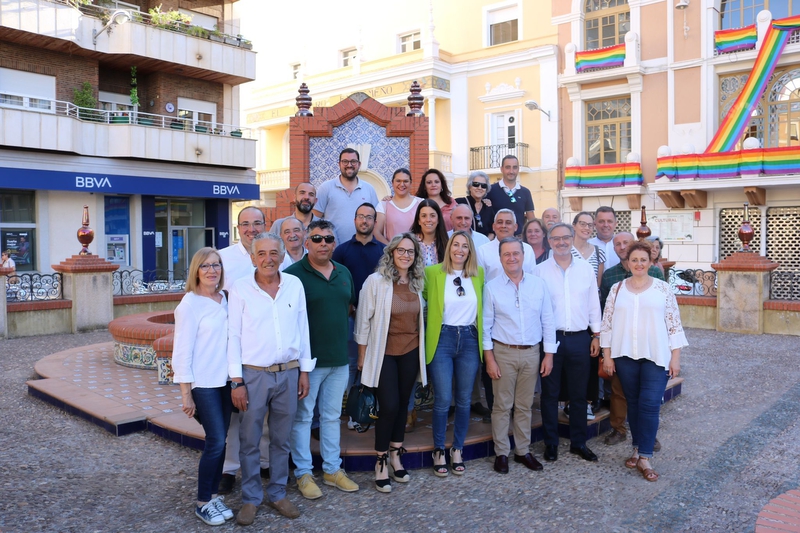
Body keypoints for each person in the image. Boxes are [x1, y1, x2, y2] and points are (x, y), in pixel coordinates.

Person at [227, 232, 315, 525]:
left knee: (281, 439)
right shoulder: (240, 288)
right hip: (253, 375)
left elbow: (303, 328)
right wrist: (236, 381)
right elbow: (234, 336)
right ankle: (251, 498)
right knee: (249, 439)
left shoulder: (294, 285)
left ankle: (277, 493)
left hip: (288, 373)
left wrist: (304, 371)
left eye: (274, 253)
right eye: (262, 253)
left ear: (282, 256)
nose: (268, 259)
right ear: (253, 257)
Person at [601, 241, 687, 482]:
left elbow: (674, 324)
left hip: (656, 355)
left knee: (649, 404)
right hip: (625, 355)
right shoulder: (617, 289)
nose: (638, 264)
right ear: (627, 263)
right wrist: (607, 356)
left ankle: (645, 457)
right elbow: (606, 324)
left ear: (651, 262)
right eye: (634, 260)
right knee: (634, 403)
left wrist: (676, 357)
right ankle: (638, 449)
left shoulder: (662, 289)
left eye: (643, 260)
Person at [286, 220, 359, 499]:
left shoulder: (344, 272)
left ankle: (331, 470)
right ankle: (303, 473)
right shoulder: (293, 275)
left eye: (329, 238)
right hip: (308, 363)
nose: (323, 243)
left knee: (331, 417)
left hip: (339, 360)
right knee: (303, 418)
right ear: (306, 242)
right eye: (317, 238)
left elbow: (349, 307)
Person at [356, 233, 427, 493]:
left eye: (411, 251)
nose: (406, 255)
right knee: (390, 406)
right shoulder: (376, 281)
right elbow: (363, 320)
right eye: (401, 250)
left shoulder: (419, 282)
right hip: (383, 352)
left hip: (410, 351)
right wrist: (362, 355)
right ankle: (381, 460)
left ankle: (396, 454)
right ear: (392, 253)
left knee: (403, 406)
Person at [483, 238, 556, 474]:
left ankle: (522, 451)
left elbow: (548, 320)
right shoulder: (491, 287)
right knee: (502, 406)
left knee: (524, 406)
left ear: (524, 256)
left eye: (516, 253)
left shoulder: (538, 284)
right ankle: (501, 452)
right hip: (503, 352)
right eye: (507, 254)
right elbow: (485, 326)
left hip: (532, 353)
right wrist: (490, 359)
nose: (512, 258)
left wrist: (549, 355)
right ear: (500, 257)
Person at [172, 247, 233, 526]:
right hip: (204, 384)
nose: (212, 270)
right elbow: (181, 352)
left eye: (216, 265)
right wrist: (186, 394)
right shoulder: (189, 305)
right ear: (196, 270)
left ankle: (213, 495)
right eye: (206, 266)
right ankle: (202, 502)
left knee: (221, 441)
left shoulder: (225, 299)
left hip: (226, 382)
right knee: (216, 441)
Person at [534, 223, 602, 463]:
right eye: (556, 238)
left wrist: (596, 335)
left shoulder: (585, 270)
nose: (561, 242)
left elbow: (594, 304)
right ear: (549, 242)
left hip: (580, 339)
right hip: (551, 341)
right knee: (550, 394)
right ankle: (551, 443)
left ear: (572, 239)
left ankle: (578, 443)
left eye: (565, 238)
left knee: (579, 394)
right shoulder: (539, 271)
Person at [217, 207, 269, 495]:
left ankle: (264, 462)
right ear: (238, 228)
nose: (251, 229)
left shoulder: (275, 254)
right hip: (235, 348)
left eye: (257, 223)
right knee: (236, 415)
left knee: (265, 414)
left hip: (266, 351)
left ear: (265, 224)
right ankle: (229, 469)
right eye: (245, 224)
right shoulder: (223, 258)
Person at [423, 231, 484, 477]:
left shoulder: (478, 276)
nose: (460, 249)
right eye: (456, 245)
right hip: (442, 339)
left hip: (469, 339)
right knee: (442, 399)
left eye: (465, 246)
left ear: (470, 251)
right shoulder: (433, 273)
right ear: (448, 248)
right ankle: (439, 449)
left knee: (464, 399)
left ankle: (457, 448)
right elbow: (423, 301)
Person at [599, 232, 666, 447]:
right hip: (623, 346)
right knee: (621, 393)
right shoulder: (610, 278)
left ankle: (647, 438)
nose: (621, 247)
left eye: (624, 243)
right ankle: (620, 430)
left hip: (650, 347)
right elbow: (605, 314)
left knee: (648, 399)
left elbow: (666, 314)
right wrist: (606, 351)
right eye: (617, 244)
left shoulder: (656, 276)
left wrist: (673, 355)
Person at [331, 203, 386, 401]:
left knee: (376, 360)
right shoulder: (341, 251)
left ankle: (369, 403)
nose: (364, 220)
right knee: (352, 361)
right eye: (361, 216)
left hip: (377, 317)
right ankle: (348, 403)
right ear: (355, 220)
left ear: (375, 222)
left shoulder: (384, 251)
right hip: (350, 315)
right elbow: (335, 282)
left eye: (369, 217)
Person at [313, 148, 379, 244]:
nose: (349, 165)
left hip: (362, 247)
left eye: (353, 161)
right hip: (333, 248)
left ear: (359, 164)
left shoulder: (369, 189)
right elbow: (315, 219)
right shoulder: (326, 188)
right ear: (339, 164)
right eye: (345, 161)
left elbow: (376, 219)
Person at [476, 209, 536, 281]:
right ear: (493, 226)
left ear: (515, 227)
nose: (503, 226)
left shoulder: (527, 249)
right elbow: (481, 281)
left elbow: (533, 278)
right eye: (500, 222)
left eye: (508, 222)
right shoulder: (482, 251)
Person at [485, 155, 535, 235]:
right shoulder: (490, 190)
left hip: (518, 240)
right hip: (497, 239)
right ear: (502, 169)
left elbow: (531, 219)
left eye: (514, 167)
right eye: (508, 167)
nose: (511, 171)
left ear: (518, 169)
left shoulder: (525, 192)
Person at [374, 168, 422, 244]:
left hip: (416, 253)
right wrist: (392, 249)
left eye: (405, 181)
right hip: (391, 253)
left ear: (411, 183)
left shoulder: (421, 203)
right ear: (392, 183)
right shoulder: (383, 205)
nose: (402, 184)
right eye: (398, 181)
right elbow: (376, 233)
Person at [455, 171, 495, 239]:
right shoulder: (459, 203)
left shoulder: (488, 207)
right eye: (476, 184)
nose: (479, 188)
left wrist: (483, 244)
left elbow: (492, 231)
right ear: (470, 186)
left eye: (483, 185)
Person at [410, 199, 448, 267]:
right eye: (424, 216)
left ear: (438, 219)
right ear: (418, 220)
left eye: (432, 216)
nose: (428, 220)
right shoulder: (410, 242)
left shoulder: (447, 243)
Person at [572, 211, 606, 287]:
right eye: (583, 224)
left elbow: (598, 285)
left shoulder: (599, 252)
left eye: (590, 225)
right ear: (574, 226)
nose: (587, 228)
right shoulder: (566, 251)